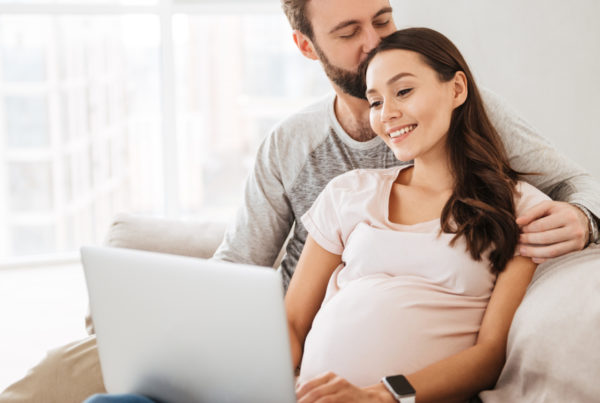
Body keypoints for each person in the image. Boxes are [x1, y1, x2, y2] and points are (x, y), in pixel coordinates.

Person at [1, 1, 599, 402]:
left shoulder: (492, 159)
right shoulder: (312, 161)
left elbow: (574, 188)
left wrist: (583, 218)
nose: (373, 44)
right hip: (281, 356)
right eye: (348, 32)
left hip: (369, 383)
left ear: (455, 89)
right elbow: (245, 269)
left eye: (382, 20)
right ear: (307, 47)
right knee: (75, 384)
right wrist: (228, 355)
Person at [286, 27, 549, 403]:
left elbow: (490, 355)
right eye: (375, 102)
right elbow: (292, 323)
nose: (387, 114)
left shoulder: (519, 208)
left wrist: (383, 396)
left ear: (457, 89)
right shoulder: (349, 192)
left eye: (403, 91)